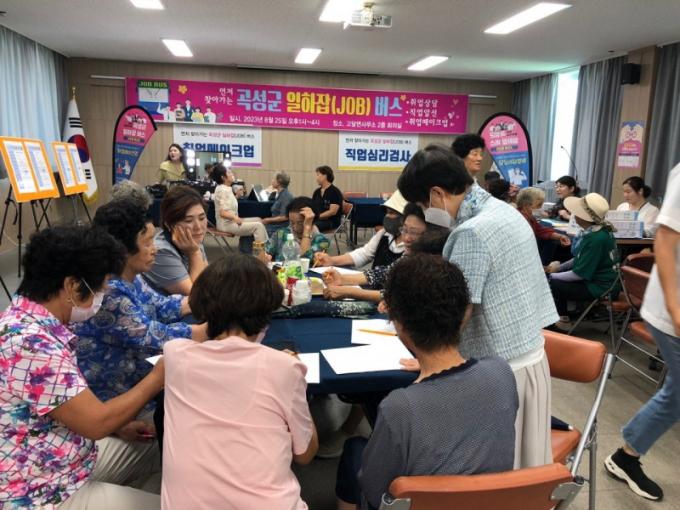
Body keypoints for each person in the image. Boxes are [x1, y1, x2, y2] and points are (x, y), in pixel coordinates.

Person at [398, 144, 557, 469]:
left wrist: (432, 358)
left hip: (499, 373)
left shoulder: (472, 232)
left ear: (437, 193)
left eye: (422, 205)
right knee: (521, 470)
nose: (425, 213)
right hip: (529, 357)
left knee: (491, 473)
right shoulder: (504, 211)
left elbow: (459, 311)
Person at [335, 255, 518, 510]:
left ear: (398, 323)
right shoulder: (501, 372)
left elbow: (375, 490)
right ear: (465, 313)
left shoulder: (400, 407)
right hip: (489, 502)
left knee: (354, 450)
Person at [0, 226, 163, 509]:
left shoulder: (29, 315)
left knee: (159, 447)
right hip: (40, 491)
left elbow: (62, 406)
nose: (102, 296)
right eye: (99, 289)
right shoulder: (30, 343)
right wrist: (159, 376)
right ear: (72, 286)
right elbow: (96, 422)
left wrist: (118, 427)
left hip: (69, 458)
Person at [162, 254, 318, 509]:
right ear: (266, 311)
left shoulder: (175, 354)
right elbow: (305, 454)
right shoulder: (285, 368)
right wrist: (295, 379)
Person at [74, 200, 208, 409]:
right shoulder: (109, 292)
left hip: (141, 378)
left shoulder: (131, 277)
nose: (154, 249)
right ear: (122, 250)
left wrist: (215, 299)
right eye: (147, 243)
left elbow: (161, 306)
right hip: (121, 400)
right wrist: (211, 329)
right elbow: (154, 336)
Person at [604, 163, 680, 501]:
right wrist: (676, 310)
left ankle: (626, 455)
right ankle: (626, 456)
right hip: (671, 310)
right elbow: (664, 240)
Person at [321, 203, 431, 302]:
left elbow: (399, 296)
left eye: (414, 233)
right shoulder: (397, 244)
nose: (406, 238)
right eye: (405, 230)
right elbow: (384, 273)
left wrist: (350, 292)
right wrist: (342, 278)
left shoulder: (428, 261)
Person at [547, 193, 619, 331]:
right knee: (556, 278)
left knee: (554, 283)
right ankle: (564, 315)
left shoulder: (595, 239)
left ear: (583, 217)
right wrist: (559, 268)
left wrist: (551, 276)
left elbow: (578, 274)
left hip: (601, 288)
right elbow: (580, 259)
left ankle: (562, 321)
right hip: (603, 283)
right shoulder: (600, 231)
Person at [314, 190, 407, 270]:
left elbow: (386, 274)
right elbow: (364, 254)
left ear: (405, 217)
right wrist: (332, 260)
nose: (387, 216)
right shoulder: (384, 234)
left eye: (391, 213)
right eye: (386, 212)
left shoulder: (410, 245)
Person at [145, 185, 209, 295]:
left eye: (202, 218)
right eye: (188, 221)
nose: (198, 227)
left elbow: (209, 280)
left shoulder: (192, 239)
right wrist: (195, 253)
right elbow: (196, 295)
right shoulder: (160, 251)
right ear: (169, 224)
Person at [211, 164, 268, 251]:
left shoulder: (226, 188)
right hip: (226, 225)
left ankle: (256, 249)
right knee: (258, 226)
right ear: (223, 177)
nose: (232, 174)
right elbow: (222, 213)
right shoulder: (222, 190)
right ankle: (261, 254)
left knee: (259, 219)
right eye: (229, 172)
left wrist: (236, 196)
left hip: (231, 221)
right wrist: (235, 217)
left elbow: (227, 204)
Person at [516, 187, 571, 265]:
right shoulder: (520, 219)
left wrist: (560, 236)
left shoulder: (528, 216)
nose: (540, 208)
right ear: (526, 205)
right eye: (538, 205)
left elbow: (540, 230)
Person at [266, 197, 330, 262]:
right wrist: (265, 257)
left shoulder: (322, 240)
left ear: (311, 221)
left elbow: (303, 259)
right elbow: (265, 251)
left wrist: (307, 228)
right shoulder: (281, 234)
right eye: (292, 222)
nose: (295, 227)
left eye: (300, 223)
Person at [261, 171, 295, 235]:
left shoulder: (286, 196)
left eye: (274, 179)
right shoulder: (281, 193)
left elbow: (284, 217)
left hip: (279, 228)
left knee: (256, 228)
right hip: (275, 225)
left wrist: (267, 220)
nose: (272, 181)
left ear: (278, 182)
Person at [312, 165, 344, 231]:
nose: (316, 178)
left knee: (310, 226)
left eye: (318, 175)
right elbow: (312, 207)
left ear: (325, 176)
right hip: (318, 220)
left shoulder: (335, 192)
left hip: (331, 221)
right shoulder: (317, 192)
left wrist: (317, 217)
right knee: (301, 224)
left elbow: (332, 212)